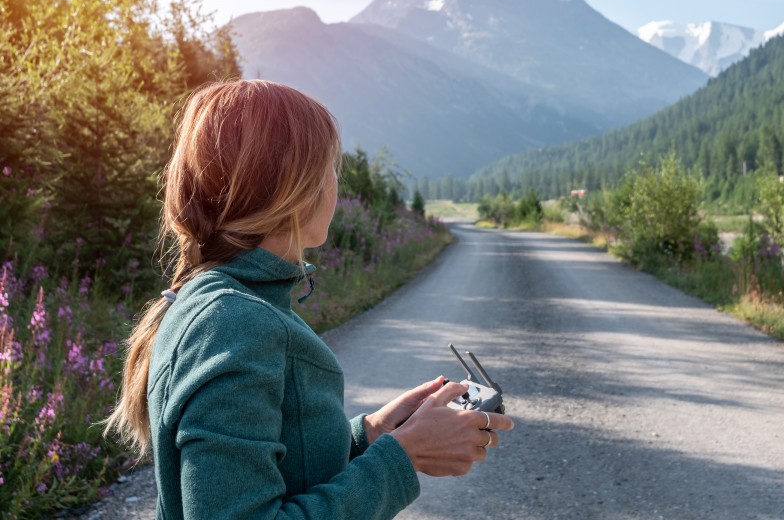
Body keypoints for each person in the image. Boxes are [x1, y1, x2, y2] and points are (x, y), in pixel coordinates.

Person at [104, 79, 514, 519]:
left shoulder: (220, 303)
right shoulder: (235, 322)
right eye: (328, 168)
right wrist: (402, 457)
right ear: (291, 187)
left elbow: (280, 467)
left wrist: (372, 435)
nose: (335, 183)